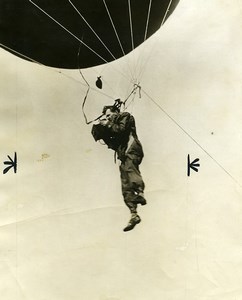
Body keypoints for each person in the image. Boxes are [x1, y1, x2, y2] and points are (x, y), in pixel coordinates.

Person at [98, 104, 146, 232]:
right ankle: (133, 214)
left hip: (132, 149)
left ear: (115, 112)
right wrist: (103, 133)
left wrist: (107, 124)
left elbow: (121, 129)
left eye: (109, 115)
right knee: (125, 183)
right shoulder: (112, 124)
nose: (108, 118)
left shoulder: (125, 116)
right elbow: (114, 143)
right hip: (123, 154)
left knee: (131, 170)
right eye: (106, 116)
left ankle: (140, 193)